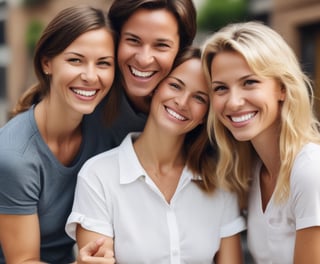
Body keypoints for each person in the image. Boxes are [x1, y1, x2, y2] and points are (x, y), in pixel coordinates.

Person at [66, 47, 246, 264]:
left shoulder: (219, 182)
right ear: (154, 90)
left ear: (205, 115)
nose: (182, 102)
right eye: (175, 86)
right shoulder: (98, 175)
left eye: (199, 98)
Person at [202, 21, 320, 263]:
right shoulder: (254, 172)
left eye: (249, 82)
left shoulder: (312, 170)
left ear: (282, 88)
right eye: (220, 88)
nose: (233, 102)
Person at [0, 5, 117, 263]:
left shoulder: (104, 130)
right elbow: (22, 260)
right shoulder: (14, 158)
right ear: (47, 63)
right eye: (75, 60)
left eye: (103, 63)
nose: (90, 76)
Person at [86, 0, 197, 150]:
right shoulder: (87, 92)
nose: (144, 60)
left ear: (181, 50)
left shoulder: (191, 112)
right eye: (133, 40)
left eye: (161, 45)